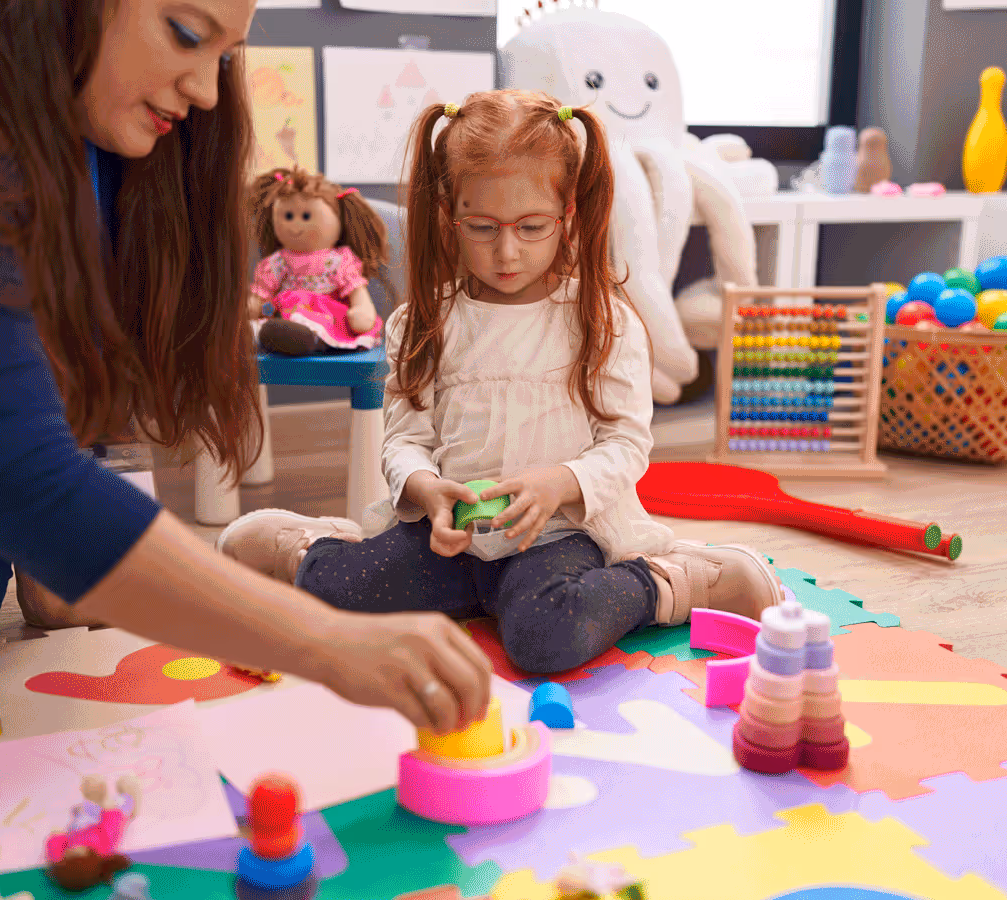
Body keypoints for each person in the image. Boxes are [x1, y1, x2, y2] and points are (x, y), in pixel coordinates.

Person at [0, 0, 490, 735]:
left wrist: (67, 542)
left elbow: (72, 361)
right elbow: (11, 477)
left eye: (224, 56)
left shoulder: (92, 122)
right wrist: (325, 641)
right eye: (184, 35)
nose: (209, 92)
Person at [219, 90, 784, 675]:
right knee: (345, 594)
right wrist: (423, 487)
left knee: (547, 637)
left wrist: (559, 483)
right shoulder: (421, 323)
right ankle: (306, 548)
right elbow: (403, 438)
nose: (507, 250)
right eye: (483, 227)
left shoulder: (602, 319)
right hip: (452, 538)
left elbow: (626, 444)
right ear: (449, 217)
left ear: (568, 218)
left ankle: (678, 579)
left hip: (560, 535)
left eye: (532, 226)